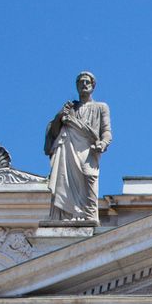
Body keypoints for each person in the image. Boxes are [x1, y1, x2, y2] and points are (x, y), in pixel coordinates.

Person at [45, 71, 112, 222]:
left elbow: (107, 132)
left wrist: (103, 143)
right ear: (77, 86)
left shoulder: (101, 107)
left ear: (93, 86)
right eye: (81, 82)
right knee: (65, 182)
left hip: (89, 152)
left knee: (89, 178)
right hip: (68, 150)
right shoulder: (70, 108)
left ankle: (88, 218)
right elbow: (53, 131)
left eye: (87, 82)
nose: (84, 85)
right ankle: (66, 217)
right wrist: (60, 116)